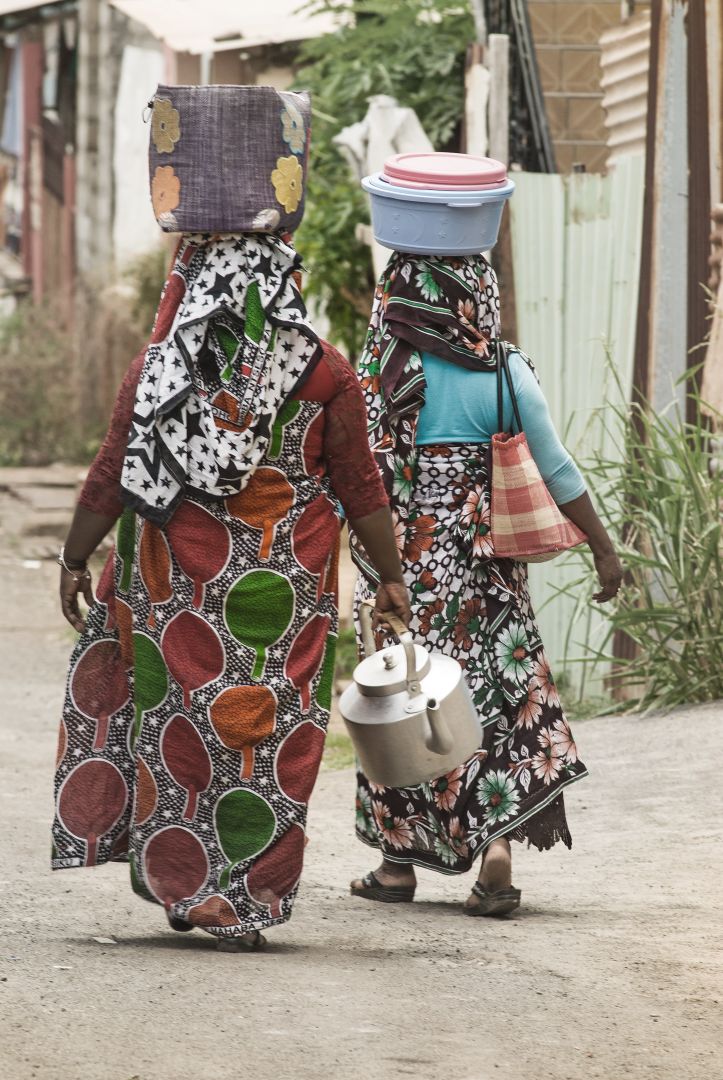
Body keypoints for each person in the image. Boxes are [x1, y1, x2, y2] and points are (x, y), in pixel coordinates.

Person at [52, 131, 410, 950]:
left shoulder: (159, 371)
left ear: (192, 279)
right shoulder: (325, 372)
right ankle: (245, 894)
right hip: (282, 607)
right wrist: (387, 578)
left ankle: (190, 885)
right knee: (270, 740)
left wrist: (76, 557)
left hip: (174, 595)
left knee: (175, 726)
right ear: (283, 283)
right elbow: (361, 491)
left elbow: (111, 475)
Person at [349, 252, 622, 915]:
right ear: (478, 296)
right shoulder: (506, 368)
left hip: (404, 572)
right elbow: (555, 467)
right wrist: (603, 549)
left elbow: (355, 476)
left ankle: (395, 864)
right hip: (488, 569)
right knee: (493, 699)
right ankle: (495, 847)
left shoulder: (386, 371)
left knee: (404, 699)